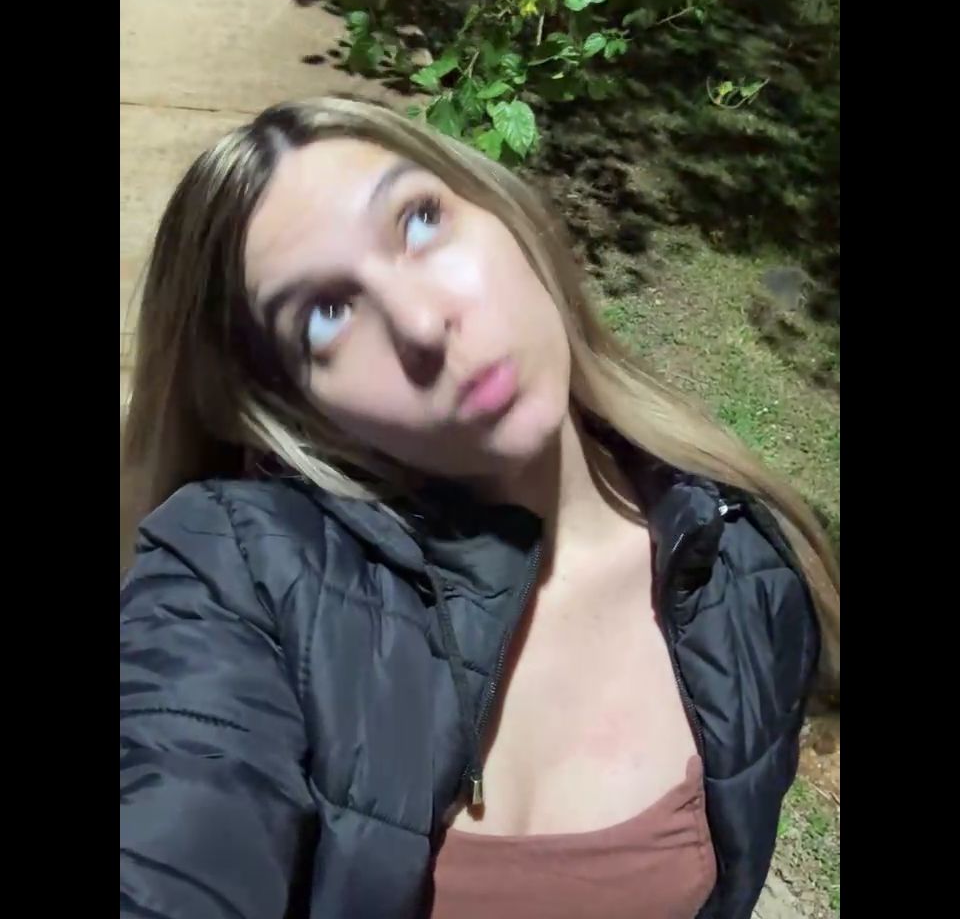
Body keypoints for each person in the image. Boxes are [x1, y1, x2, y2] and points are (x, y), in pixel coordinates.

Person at [119, 97, 839, 919]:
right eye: (327, 314)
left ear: (506, 214)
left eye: (420, 220)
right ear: (299, 412)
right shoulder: (239, 579)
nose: (423, 323)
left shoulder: (744, 573)